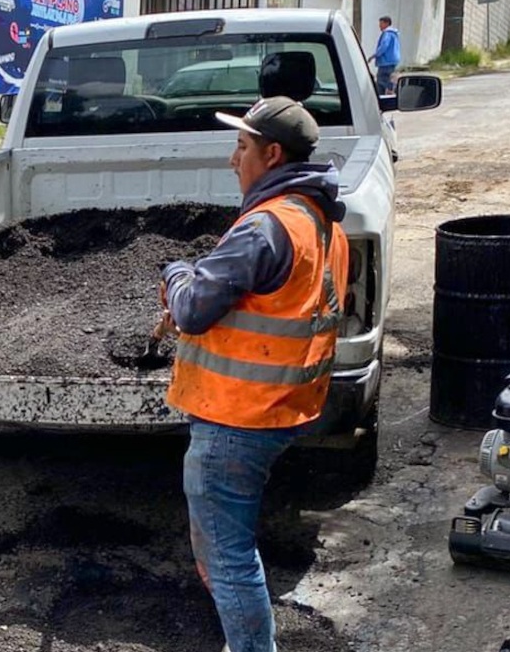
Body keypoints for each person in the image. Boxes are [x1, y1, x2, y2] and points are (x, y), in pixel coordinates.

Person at [160, 97, 350, 652]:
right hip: (283, 407)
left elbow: (193, 308)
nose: (232, 159)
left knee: (228, 555)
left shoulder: (265, 227)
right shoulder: (320, 223)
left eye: (241, 147)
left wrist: (176, 272)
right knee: (228, 547)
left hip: (235, 417)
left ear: (271, 154)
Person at [367, 15, 402, 95]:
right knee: (389, 81)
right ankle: (390, 94)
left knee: (381, 82)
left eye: (381, 23)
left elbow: (384, 46)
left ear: (386, 23)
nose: (379, 26)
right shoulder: (394, 34)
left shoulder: (387, 33)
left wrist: (374, 56)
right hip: (392, 61)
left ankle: (381, 99)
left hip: (385, 62)